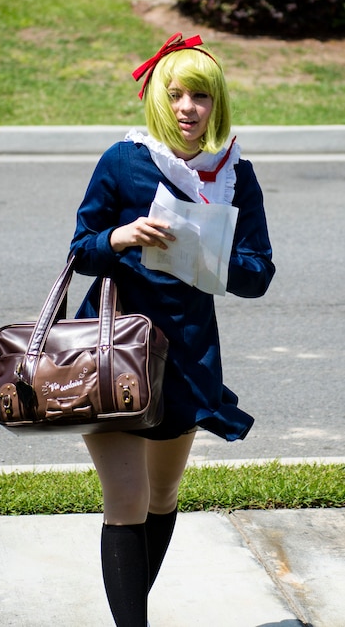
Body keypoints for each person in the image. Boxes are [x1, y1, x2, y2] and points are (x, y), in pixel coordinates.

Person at [68, 33, 275, 626]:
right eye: (177, 94)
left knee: (160, 498)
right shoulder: (124, 160)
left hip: (184, 357)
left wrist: (210, 254)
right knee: (127, 500)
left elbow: (259, 274)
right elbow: (81, 249)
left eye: (202, 97)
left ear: (218, 104)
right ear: (158, 97)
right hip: (113, 349)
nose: (188, 108)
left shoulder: (236, 174)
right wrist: (120, 236)